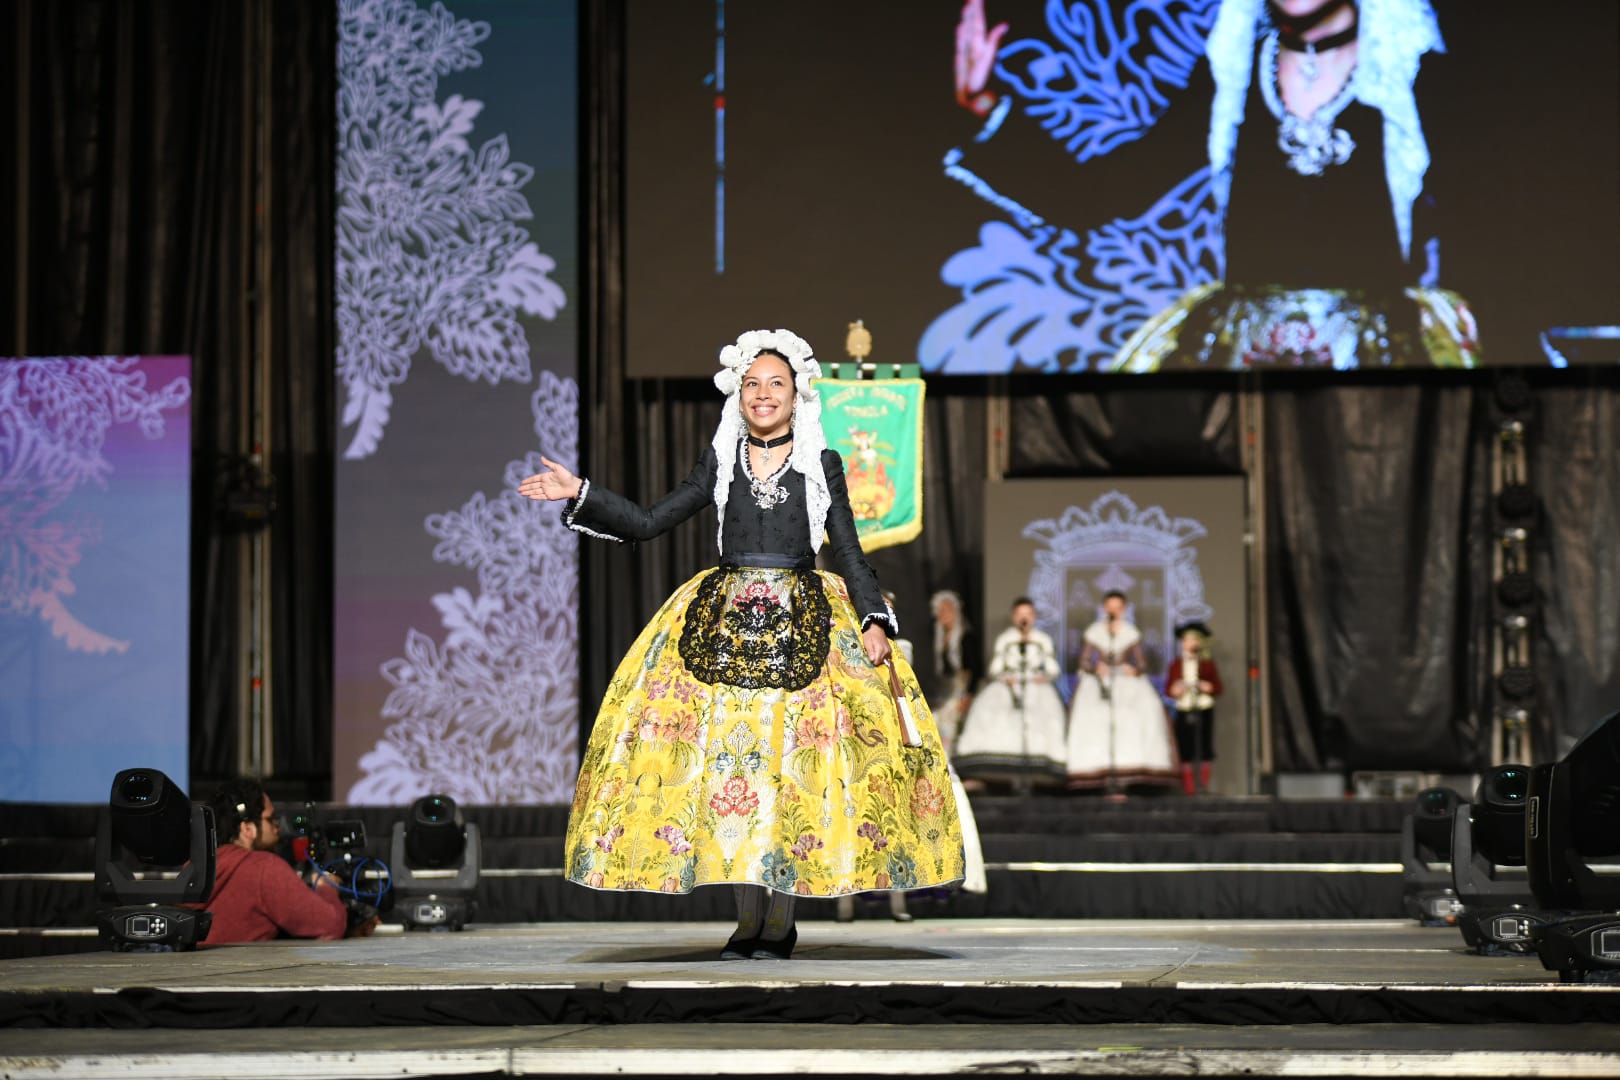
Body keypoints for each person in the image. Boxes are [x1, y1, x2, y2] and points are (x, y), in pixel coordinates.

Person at [520, 329, 964, 960]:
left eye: (775, 384)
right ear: (739, 393)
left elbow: (848, 549)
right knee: (735, 772)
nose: (762, 394)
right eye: (752, 383)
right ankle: (747, 921)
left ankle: (778, 924)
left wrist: (872, 619)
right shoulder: (721, 462)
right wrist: (581, 493)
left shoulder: (822, 463)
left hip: (804, 623)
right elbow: (649, 521)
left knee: (786, 773)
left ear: (796, 394)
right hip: (724, 625)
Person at [949, 0, 1478, 372]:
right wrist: (985, 106)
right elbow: (1104, 195)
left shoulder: (1413, 74)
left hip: (1380, 364)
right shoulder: (1232, 75)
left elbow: (1494, 223)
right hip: (1246, 364)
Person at [197, 780, 364, 944]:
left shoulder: (195, 867)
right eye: (271, 819)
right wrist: (327, 887)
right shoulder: (263, 868)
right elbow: (331, 924)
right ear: (247, 829)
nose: (278, 828)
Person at [1065, 591, 1179, 791]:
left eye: (1117, 608)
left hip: (1125, 682)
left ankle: (1128, 772)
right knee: (1096, 720)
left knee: (1132, 719)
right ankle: (1098, 773)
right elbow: (1084, 660)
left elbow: (1142, 663)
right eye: (1109, 607)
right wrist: (1094, 668)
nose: (1113, 611)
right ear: (1104, 608)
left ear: (1124, 609)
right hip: (1100, 682)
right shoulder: (1095, 631)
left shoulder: (1130, 631)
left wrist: (1133, 669)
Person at [952, 596, 1068, 788]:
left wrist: (1043, 676)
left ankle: (1035, 774)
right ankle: (997, 772)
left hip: (1035, 686)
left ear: (1034, 617)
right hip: (1009, 685)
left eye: (1028, 614)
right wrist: (1005, 677)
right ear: (1014, 617)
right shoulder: (1006, 639)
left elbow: (1052, 668)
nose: (1024, 618)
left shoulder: (1042, 640)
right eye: (1020, 614)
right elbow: (995, 668)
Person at [1167, 621, 1225, 794]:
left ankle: (1203, 786)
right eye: (1186, 640)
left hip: (1203, 707)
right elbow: (1169, 689)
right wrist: (1176, 689)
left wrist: (1208, 687)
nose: (1189, 644)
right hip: (1184, 708)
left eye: (1192, 640)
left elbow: (1218, 688)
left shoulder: (1207, 664)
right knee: (1185, 748)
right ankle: (1189, 788)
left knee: (1204, 747)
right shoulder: (1176, 664)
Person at [925, 589, 977, 756]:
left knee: (950, 727)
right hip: (943, 691)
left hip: (960, 690)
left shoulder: (965, 637)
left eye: (946, 610)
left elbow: (974, 669)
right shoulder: (938, 640)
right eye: (939, 611)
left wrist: (967, 696)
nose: (942, 615)